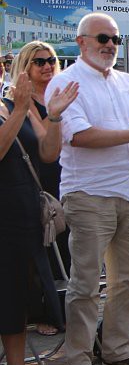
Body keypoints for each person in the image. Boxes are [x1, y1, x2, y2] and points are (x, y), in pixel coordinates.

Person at [50, 13, 129, 365]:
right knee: (85, 281)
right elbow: (80, 136)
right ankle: (79, 355)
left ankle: (118, 350)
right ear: (82, 41)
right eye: (103, 38)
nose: (110, 45)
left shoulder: (125, 81)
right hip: (88, 192)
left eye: (115, 39)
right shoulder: (66, 81)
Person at [1, 73, 78, 365]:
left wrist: (55, 115)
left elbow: (47, 154)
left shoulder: (9, 105)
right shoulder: (15, 106)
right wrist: (20, 110)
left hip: (21, 214)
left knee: (16, 294)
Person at [6, 42, 69, 334]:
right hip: (33, 179)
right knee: (39, 251)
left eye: (50, 60)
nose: (47, 65)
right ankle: (42, 312)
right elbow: (44, 142)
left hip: (63, 176)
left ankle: (59, 309)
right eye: (39, 61)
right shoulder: (16, 101)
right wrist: (49, 112)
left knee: (62, 247)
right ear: (26, 67)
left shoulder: (60, 95)